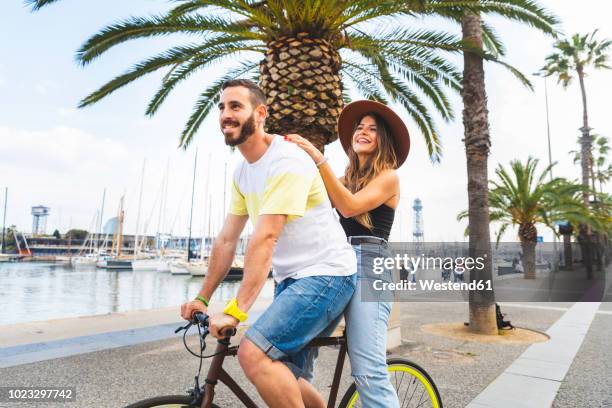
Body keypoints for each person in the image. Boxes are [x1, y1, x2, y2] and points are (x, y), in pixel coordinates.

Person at [180, 79, 357, 408]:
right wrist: (202, 297)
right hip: (291, 280)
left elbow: (265, 237)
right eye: (221, 107)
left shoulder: (286, 161)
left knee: (253, 353)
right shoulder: (243, 172)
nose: (225, 114)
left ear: (260, 114)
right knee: (289, 377)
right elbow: (226, 239)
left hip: (328, 275)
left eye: (235, 106)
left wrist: (235, 312)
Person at [286, 99, 410, 408]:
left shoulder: (388, 177)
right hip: (334, 264)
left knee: (368, 371)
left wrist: (318, 158)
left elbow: (349, 206)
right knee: (291, 357)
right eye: (359, 127)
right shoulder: (340, 181)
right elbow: (308, 209)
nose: (363, 132)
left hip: (370, 265)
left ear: (383, 140)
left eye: (372, 129)